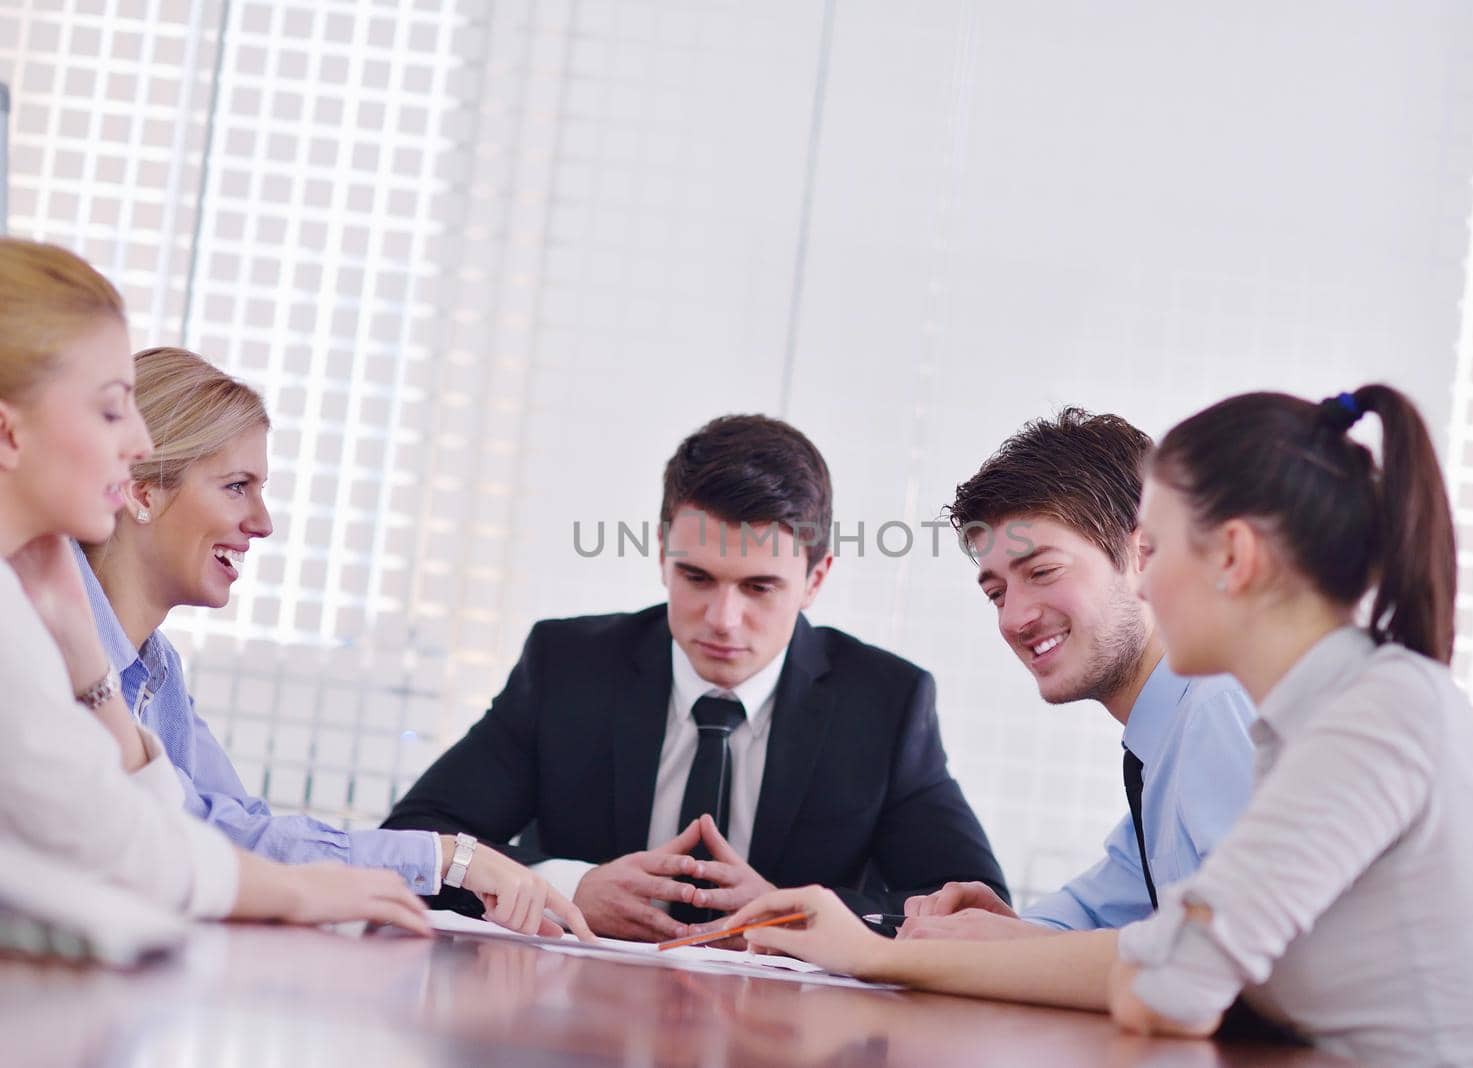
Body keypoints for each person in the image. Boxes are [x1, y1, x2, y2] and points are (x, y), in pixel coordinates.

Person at [720, 386, 1473, 1067]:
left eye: (1161, 549)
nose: (1149, 586)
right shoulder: (1288, 724)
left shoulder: (1358, 717)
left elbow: (1176, 980)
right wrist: (989, 938)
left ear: (1230, 559)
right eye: (995, 589)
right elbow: (1130, 929)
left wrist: (876, 954)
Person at [385, 414, 1007, 941]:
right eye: (697, 578)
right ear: (662, 555)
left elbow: (972, 911)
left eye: (760, 587)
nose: (722, 620)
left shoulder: (884, 704)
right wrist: (563, 887)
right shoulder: (567, 667)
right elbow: (410, 844)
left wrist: (796, 916)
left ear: (815, 581)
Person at [77, 346, 590, 939]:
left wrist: (445, 859)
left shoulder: (157, 669)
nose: (263, 522)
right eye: (237, 486)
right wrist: (444, 858)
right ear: (142, 493)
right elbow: (203, 841)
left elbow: (238, 830)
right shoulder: (53, 646)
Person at [0, 236, 422, 932]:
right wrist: (301, 893)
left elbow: (159, 821)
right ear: (10, 435)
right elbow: (122, 840)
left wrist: (83, 658)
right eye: (111, 410)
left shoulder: (81, 627)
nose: (137, 442)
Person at [895, 409, 1255, 941]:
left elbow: (1233, 952)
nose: (1014, 619)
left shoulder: (1219, 709)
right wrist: (1004, 930)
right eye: (997, 594)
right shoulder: (1163, 745)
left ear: (1144, 553)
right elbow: (1097, 910)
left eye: (1042, 572)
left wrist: (1019, 945)